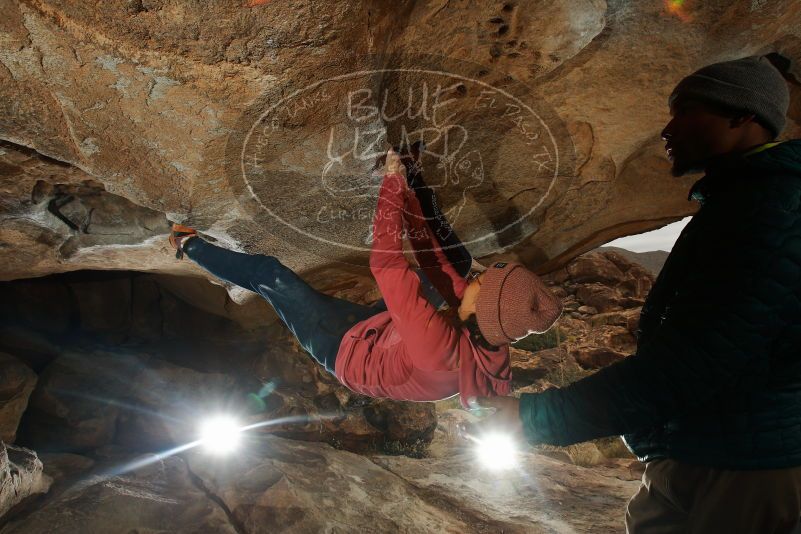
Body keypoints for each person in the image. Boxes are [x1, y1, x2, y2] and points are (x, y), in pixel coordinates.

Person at [472, 54, 801, 533]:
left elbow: (690, 364)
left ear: (742, 116)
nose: (667, 130)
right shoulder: (744, 200)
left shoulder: (770, 213)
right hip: (710, 453)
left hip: (737, 472)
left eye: (686, 111)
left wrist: (534, 417)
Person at [169, 148, 563, 408]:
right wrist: (412, 190)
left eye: (484, 284)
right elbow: (436, 263)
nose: (479, 277)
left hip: (343, 349)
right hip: (387, 332)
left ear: (482, 311)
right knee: (455, 265)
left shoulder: (438, 348)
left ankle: (186, 245)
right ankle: (418, 182)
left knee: (270, 275)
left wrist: (391, 183)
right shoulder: (492, 330)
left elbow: (387, 265)